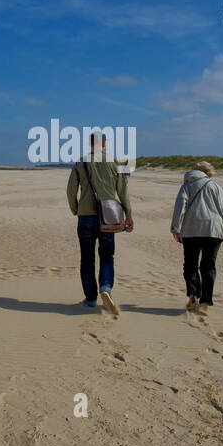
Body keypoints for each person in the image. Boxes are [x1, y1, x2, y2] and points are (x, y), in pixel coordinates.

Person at [67, 132, 133, 314]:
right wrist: (128, 214)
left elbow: (71, 189)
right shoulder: (114, 162)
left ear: (90, 144)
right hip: (109, 216)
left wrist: (75, 209)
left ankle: (90, 299)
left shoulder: (81, 162)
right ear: (104, 144)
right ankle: (105, 288)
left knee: (87, 259)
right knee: (107, 256)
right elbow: (123, 192)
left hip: (86, 216)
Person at [171, 162, 223, 312]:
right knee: (208, 265)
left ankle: (193, 294)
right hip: (214, 231)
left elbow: (179, 206)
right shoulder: (216, 187)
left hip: (191, 231)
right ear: (208, 173)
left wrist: (175, 228)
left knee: (190, 265)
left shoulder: (186, 185)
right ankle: (206, 299)